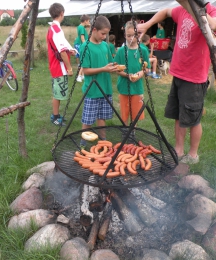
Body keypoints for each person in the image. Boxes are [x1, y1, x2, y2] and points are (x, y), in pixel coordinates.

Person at [137, 1, 216, 164]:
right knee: (178, 116)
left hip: (194, 78)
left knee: (194, 119)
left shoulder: (210, 10)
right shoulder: (181, 10)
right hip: (178, 73)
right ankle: (178, 150)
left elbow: (213, 25)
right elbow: (166, 11)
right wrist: (148, 25)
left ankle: (193, 155)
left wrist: (192, 8)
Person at [79, 15, 119, 148]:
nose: (104, 36)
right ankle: (83, 143)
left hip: (105, 88)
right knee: (88, 119)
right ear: (94, 30)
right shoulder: (86, 46)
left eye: (106, 34)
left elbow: (109, 63)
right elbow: (86, 70)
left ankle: (103, 140)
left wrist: (114, 67)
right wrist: (103, 69)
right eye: (103, 34)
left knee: (102, 117)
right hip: (92, 90)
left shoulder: (105, 46)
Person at [114, 21, 151, 126]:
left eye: (133, 35)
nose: (130, 38)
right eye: (128, 36)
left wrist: (140, 73)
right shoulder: (121, 51)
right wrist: (127, 75)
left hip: (137, 87)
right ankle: (125, 129)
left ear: (138, 35)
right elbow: (117, 69)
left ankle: (133, 130)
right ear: (125, 35)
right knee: (124, 111)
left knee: (135, 112)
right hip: (124, 86)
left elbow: (146, 68)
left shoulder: (143, 50)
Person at [47, 3, 76, 126]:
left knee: (58, 93)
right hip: (59, 67)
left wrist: (71, 50)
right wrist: (69, 68)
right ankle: (55, 117)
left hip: (55, 65)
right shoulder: (56, 30)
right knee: (57, 94)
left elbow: (62, 46)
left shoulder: (52, 28)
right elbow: (62, 52)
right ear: (62, 13)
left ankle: (57, 114)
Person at [74, 14, 91, 82]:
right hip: (82, 45)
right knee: (83, 61)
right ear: (85, 21)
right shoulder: (81, 28)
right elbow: (82, 38)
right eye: (88, 21)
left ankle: (83, 75)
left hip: (81, 45)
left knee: (83, 60)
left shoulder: (80, 27)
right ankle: (79, 76)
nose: (89, 22)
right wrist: (86, 46)